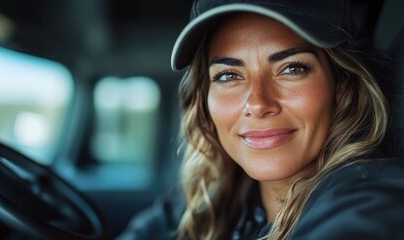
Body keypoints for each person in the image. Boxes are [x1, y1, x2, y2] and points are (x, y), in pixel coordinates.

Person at [118, 0, 404, 239]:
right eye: (228, 76)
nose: (257, 104)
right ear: (204, 100)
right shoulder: (206, 199)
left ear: (341, 89)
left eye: (291, 69)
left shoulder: (368, 197)